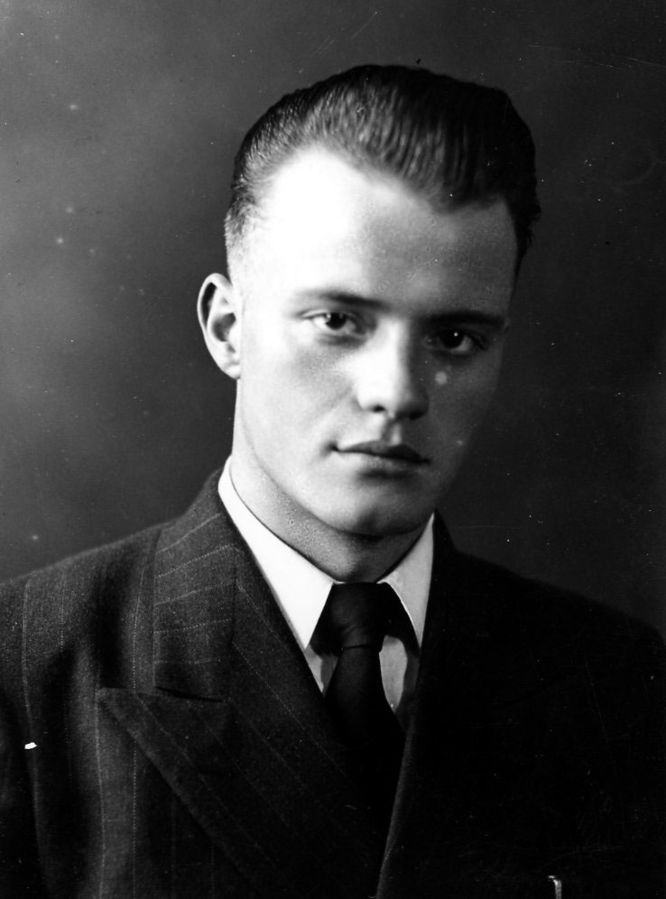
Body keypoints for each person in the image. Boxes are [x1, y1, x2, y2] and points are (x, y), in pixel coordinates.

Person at [0, 65, 662, 898]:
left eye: (455, 337)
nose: (398, 391)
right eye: (339, 321)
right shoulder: (25, 672)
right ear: (228, 328)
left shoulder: (618, 683)